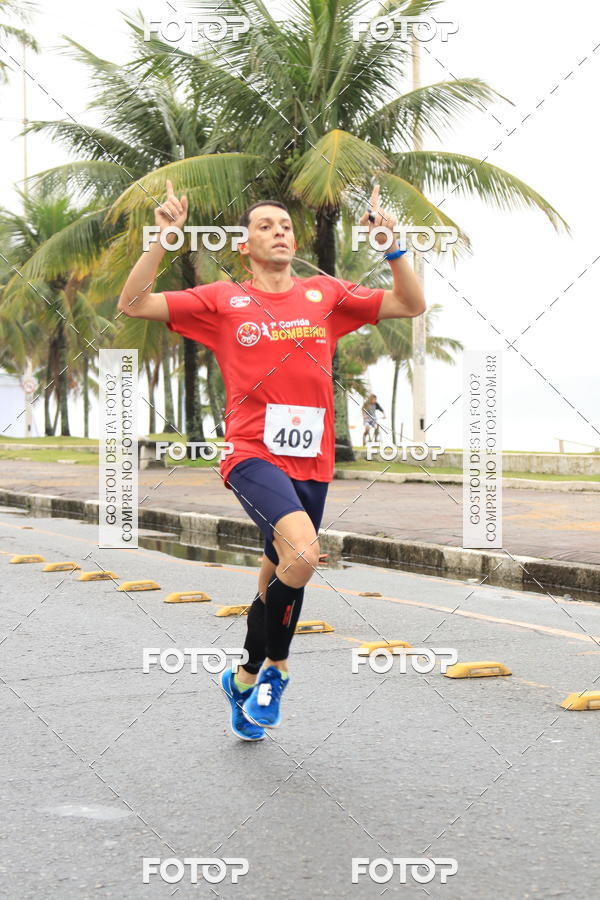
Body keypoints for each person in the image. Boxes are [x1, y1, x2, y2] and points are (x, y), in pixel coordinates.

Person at [117, 182, 425, 741]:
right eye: (265, 226)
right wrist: (162, 241)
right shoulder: (222, 300)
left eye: (285, 226)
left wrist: (392, 247)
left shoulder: (324, 295)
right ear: (245, 245)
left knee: (282, 571)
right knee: (305, 554)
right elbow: (134, 303)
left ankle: (243, 675)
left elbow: (410, 303)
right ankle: (277, 671)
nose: (279, 232)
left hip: (312, 458)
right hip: (251, 453)